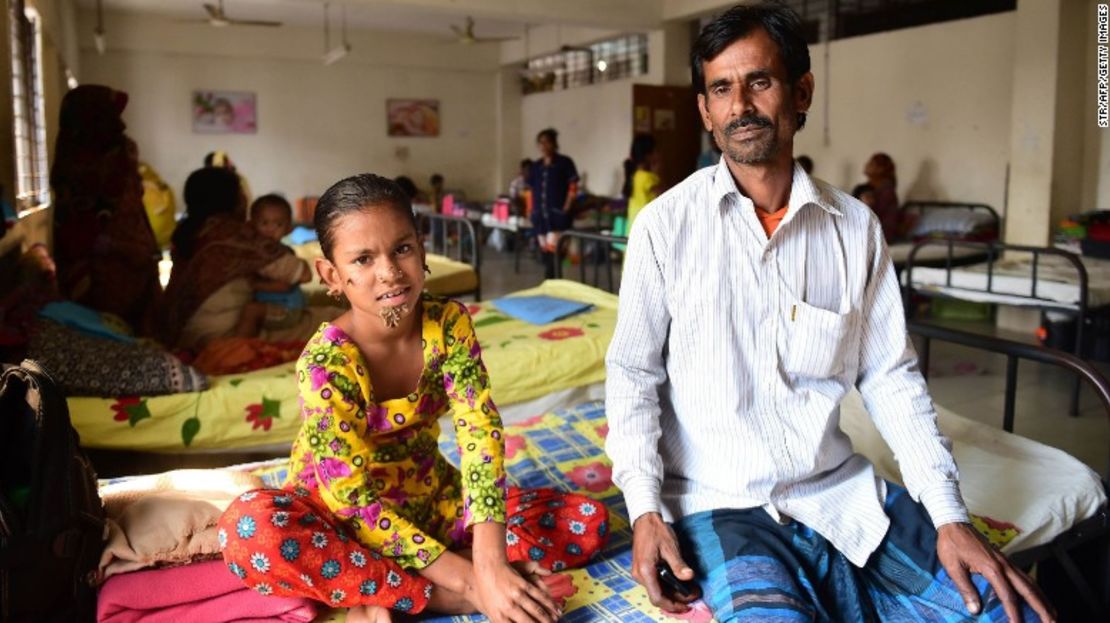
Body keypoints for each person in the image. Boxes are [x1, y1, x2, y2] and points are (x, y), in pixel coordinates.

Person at [605, 4, 1054, 623]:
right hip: (719, 504)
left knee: (1009, 611)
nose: (740, 105)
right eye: (721, 88)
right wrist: (645, 510)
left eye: (759, 81)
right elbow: (633, 376)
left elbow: (891, 379)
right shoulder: (664, 229)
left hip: (843, 497)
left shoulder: (854, 229)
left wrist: (950, 516)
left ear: (800, 92)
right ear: (706, 111)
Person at [218, 174, 609, 622]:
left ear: (422, 249)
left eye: (401, 248)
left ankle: (387, 588)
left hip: (432, 502)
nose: (389, 272)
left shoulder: (449, 323)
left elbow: (479, 435)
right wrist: (474, 582)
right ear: (331, 274)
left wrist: (491, 558)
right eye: (363, 259)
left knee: (585, 522)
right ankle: (444, 597)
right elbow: (351, 499)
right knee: (250, 532)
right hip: (344, 523)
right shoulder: (326, 362)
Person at [158, 168, 326, 351]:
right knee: (339, 322)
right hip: (222, 338)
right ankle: (237, 352)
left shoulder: (188, 233)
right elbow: (302, 273)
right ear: (235, 200)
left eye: (278, 224)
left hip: (178, 337)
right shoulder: (235, 235)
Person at [50, 84, 161, 333]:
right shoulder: (77, 165)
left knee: (140, 333)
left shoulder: (120, 152)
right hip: (102, 269)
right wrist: (119, 247)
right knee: (105, 332)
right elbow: (78, 226)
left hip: (135, 262)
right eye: (113, 116)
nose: (121, 124)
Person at [235, 194, 308, 337]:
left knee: (251, 310)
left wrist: (254, 285)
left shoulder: (281, 254)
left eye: (278, 224)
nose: (271, 229)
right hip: (274, 304)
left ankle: (238, 347)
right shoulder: (258, 250)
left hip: (288, 309)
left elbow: (284, 286)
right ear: (252, 225)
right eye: (264, 223)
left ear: (288, 229)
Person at [527, 128, 579, 279]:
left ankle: (550, 284)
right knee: (545, 253)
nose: (544, 146)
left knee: (553, 253)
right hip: (540, 217)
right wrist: (530, 210)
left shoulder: (565, 162)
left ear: (554, 143)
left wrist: (567, 207)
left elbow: (573, 186)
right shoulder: (536, 166)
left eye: (547, 142)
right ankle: (553, 284)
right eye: (541, 143)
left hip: (557, 217)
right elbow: (531, 190)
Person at [622, 134, 662, 232]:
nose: (659, 154)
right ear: (648, 156)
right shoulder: (648, 178)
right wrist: (657, 174)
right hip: (644, 230)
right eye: (656, 151)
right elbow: (665, 198)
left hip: (632, 230)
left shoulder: (635, 175)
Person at [865, 151, 900, 241]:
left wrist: (867, 205)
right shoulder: (868, 188)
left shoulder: (887, 190)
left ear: (880, 169)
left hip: (883, 234)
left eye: (871, 163)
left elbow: (876, 216)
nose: (866, 165)